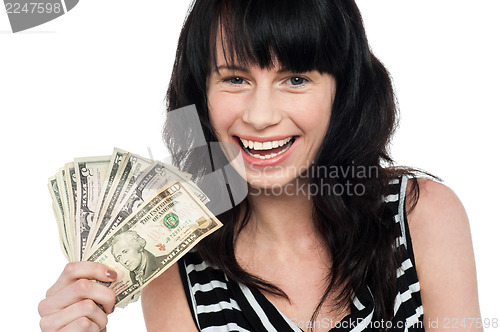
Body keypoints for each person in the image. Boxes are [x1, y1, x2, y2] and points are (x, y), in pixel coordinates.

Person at [38, 0, 482, 331]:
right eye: (235, 78)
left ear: (341, 92)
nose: (260, 115)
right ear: (201, 96)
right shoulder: (177, 262)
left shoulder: (421, 215)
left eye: (295, 79)